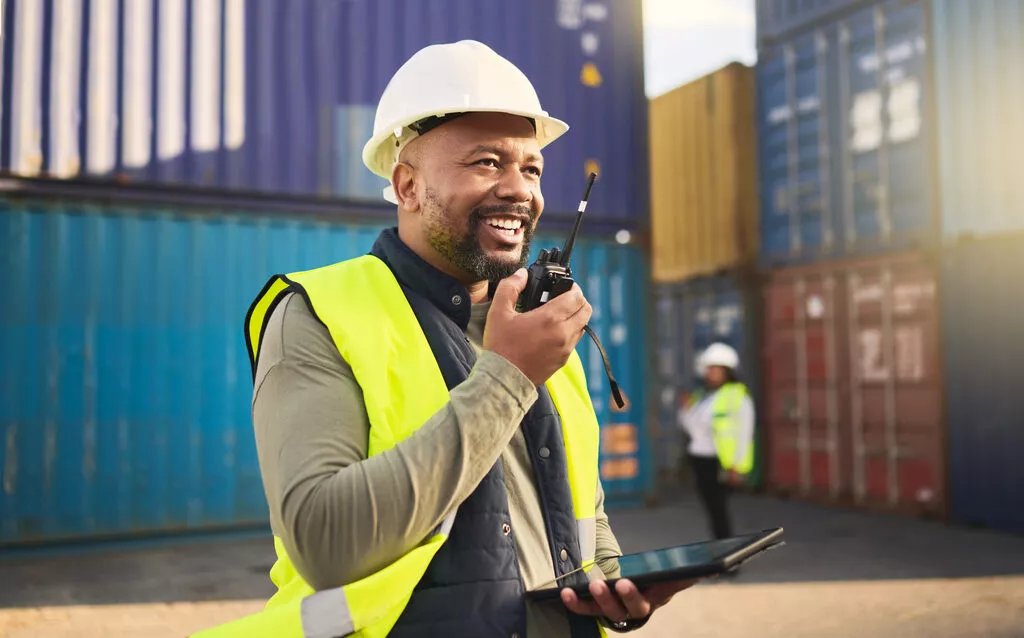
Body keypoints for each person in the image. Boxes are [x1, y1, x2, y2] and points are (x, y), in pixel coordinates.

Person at [195, 41, 692, 638]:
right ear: (407, 186)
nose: (519, 190)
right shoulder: (320, 315)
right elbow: (322, 541)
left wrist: (612, 581)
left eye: (530, 168)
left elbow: (579, 504)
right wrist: (507, 377)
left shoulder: (539, 319)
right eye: (487, 162)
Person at [677, 343, 755, 543]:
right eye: (708, 369)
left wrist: (736, 467)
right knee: (713, 510)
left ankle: (729, 554)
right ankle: (722, 548)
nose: (710, 373)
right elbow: (689, 425)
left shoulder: (739, 398)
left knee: (719, 511)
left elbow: (744, 434)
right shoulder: (702, 396)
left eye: (715, 369)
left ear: (727, 371)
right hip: (700, 460)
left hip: (719, 463)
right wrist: (685, 409)